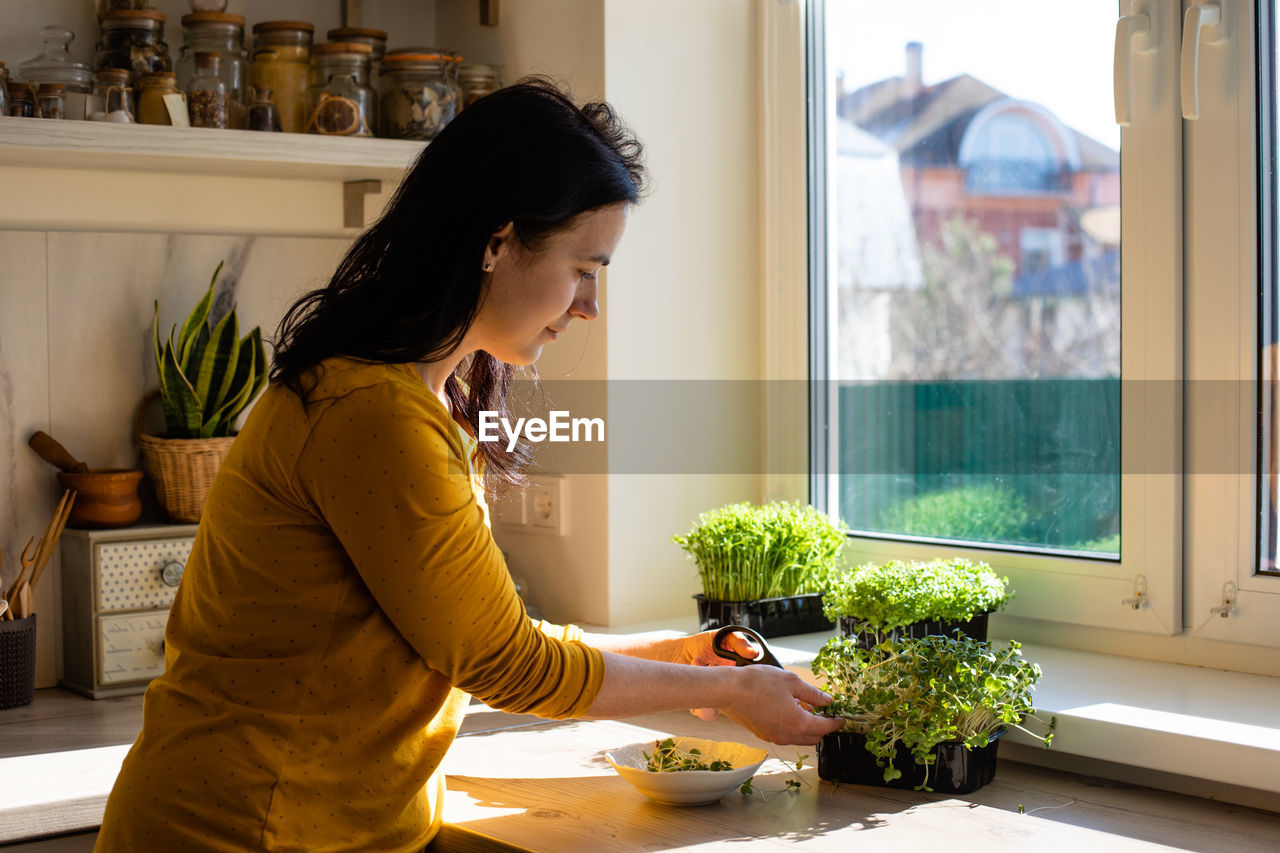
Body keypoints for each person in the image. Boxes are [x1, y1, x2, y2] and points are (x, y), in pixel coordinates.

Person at [96, 77, 842, 853]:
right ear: (496, 242)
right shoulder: (373, 415)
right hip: (242, 829)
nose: (589, 305)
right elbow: (503, 662)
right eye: (584, 268)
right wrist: (729, 686)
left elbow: (480, 626)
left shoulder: (424, 398)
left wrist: (675, 652)